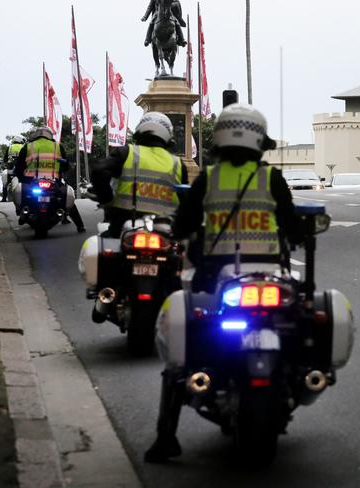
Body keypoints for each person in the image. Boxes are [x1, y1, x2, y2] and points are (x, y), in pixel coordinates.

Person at [145, 103, 302, 463]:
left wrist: (192, 238)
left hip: (217, 276)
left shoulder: (209, 178)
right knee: (297, 322)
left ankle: (166, 437)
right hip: (269, 275)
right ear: (259, 140)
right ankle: (300, 373)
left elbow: (182, 226)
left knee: (183, 354)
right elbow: (292, 227)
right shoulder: (271, 179)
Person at [90, 112, 187, 238]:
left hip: (122, 225)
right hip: (164, 230)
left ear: (139, 133)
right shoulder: (178, 164)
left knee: (98, 248)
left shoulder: (126, 153)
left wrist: (107, 199)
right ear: (168, 137)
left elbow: (98, 171)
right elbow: (186, 200)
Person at [14, 127, 85, 232]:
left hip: (32, 182)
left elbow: (19, 167)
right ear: (50, 135)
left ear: (35, 135)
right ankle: (80, 226)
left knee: (21, 194)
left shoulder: (28, 146)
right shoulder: (58, 146)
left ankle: (22, 213)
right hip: (53, 181)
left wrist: (23, 179)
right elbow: (65, 166)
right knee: (68, 201)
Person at [2, 135, 26, 202]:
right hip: (21, 168)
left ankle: (4, 198)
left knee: (5, 183)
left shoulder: (10, 147)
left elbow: (5, 159)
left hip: (10, 167)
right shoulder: (23, 147)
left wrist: (5, 165)